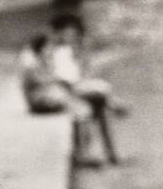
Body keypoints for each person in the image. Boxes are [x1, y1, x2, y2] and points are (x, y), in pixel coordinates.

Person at [48, 12, 129, 164]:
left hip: (78, 91)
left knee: (101, 106)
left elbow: (82, 76)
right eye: (68, 34)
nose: (72, 37)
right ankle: (113, 104)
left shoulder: (74, 53)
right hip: (66, 92)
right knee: (99, 100)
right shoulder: (57, 52)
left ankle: (109, 153)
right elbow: (61, 79)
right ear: (61, 33)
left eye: (74, 34)